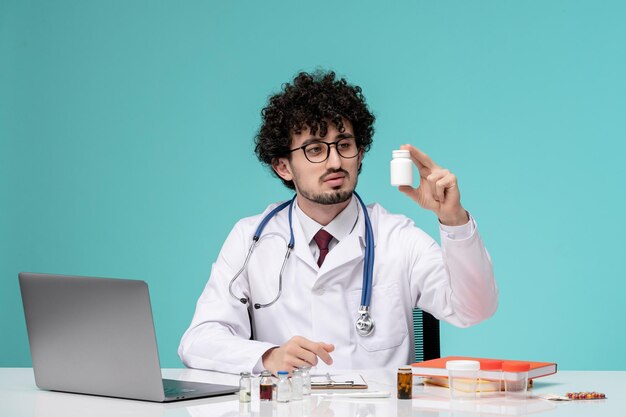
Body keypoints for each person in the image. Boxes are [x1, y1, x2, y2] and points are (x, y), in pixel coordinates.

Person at [178, 70, 497, 375]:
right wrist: (268, 356)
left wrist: (452, 219)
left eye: (344, 145)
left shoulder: (398, 237)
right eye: (315, 149)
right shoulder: (252, 239)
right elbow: (199, 340)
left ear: (359, 153)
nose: (334, 162)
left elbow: (475, 309)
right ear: (283, 166)